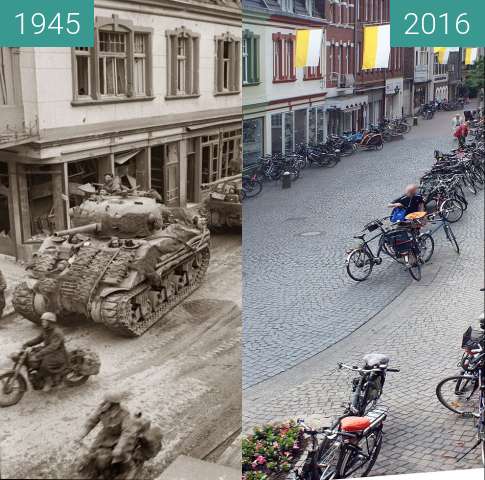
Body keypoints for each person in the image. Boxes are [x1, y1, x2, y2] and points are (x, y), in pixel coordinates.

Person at [77, 392, 133, 476]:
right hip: (105, 435)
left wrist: (119, 447)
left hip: (119, 437)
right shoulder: (102, 409)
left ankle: (129, 469)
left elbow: (126, 432)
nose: (104, 402)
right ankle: (93, 472)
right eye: (105, 400)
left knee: (121, 455)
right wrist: (81, 435)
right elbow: (91, 422)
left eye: (107, 401)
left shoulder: (124, 413)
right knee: (91, 453)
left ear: (113, 404)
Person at [22, 312, 68, 391]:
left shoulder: (57, 332)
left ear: (50, 322)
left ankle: (50, 382)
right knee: (32, 356)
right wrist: (27, 344)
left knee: (45, 365)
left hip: (58, 353)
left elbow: (53, 347)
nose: (43, 323)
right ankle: (39, 378)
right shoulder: (46, 330)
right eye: (42, 321)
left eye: (45, 321)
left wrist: (39, 354)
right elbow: (38, 339)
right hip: (49, 351)